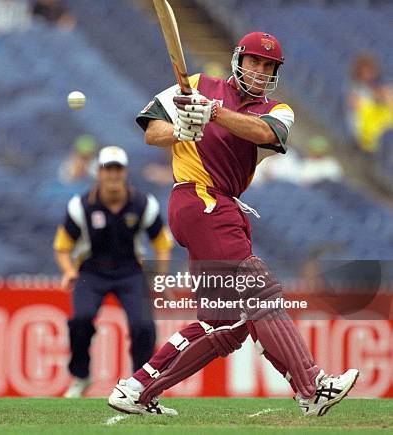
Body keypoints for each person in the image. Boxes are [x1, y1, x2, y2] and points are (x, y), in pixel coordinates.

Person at [107, 32, 358, 416]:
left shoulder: (278, 109)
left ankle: (137, 389)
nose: (260, 71)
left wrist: (213, 113)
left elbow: (266, 134)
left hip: (218, 206)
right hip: (201, 199)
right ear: (238, 60)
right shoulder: (196, 85)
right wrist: (180, 130)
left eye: (268, 66)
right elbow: (151, 131)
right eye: (254, 62)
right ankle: (312, 385)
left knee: (224, 323)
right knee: (257, 290)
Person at [53, 146, 173, 398]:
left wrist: (159, 275)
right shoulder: (81, 206)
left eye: (117, 169)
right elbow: (62, 247)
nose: (113, 175)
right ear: (99, 172)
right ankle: (81, 376)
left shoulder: (142, 204)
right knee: (80, 319)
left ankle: (142, 384)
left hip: (130, 271)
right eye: (108, 169)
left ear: (125, 172)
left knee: (143, 326)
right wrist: (67, 271)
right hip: (91, 271)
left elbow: (161, 243)